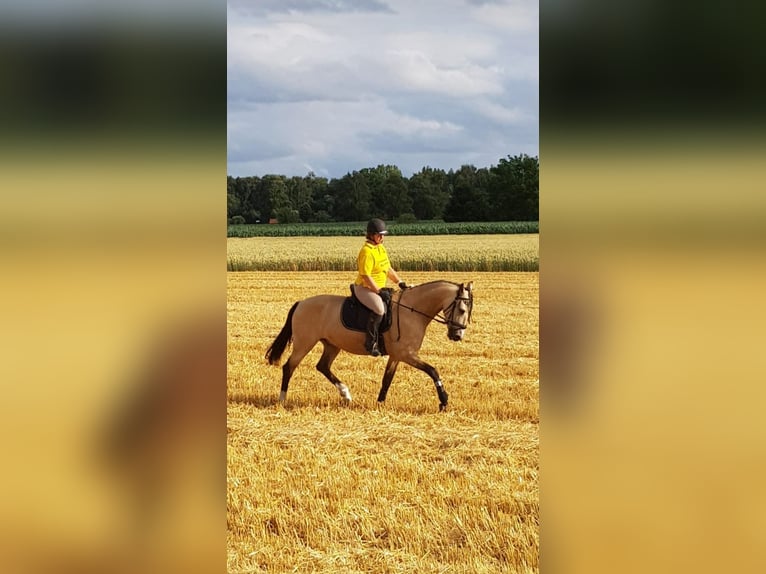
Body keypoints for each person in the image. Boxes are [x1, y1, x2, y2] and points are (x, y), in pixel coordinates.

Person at [353, 218, 408, 356]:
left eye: (383, 235)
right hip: (364, 288)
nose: (382, 237)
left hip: (379, 288)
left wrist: (399, 281)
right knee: (379, 309)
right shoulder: (366, 251)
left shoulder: (380, 248)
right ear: (371, 235)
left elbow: (387, 268)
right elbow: (365, 275)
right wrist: (378, 291)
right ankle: (370, 343)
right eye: (379, 235)